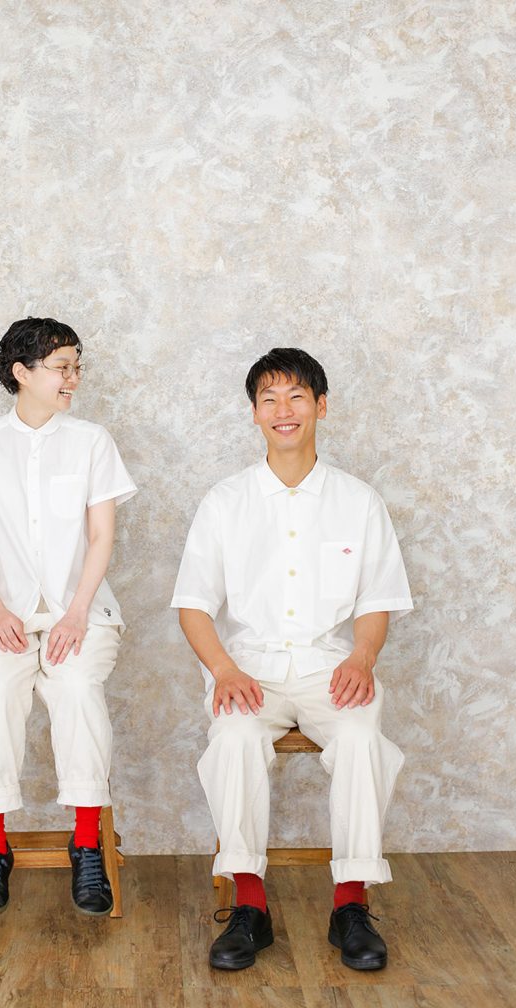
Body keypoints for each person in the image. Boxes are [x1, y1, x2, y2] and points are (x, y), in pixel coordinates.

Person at [172, 347, 412, 971]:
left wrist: (363, 656)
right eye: (269, 399)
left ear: (321, 407)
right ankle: (249, 906)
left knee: (361, 738)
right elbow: (193, 605)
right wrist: (224, 670)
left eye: (297, 396)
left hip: (331, 666)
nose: (284, 410)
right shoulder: (225, 501)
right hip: (247, 669)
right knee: (233, 740)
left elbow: (377, 599)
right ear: (254, 413)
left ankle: (351, 905)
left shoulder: (359, 501)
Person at [0, 316, 136, 918]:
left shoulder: (93, 441)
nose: (73, 378)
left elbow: (101, 537)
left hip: (82, 608)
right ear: (21, 372)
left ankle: (87, 844)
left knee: (76, 690)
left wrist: (77, 613)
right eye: (61, 367)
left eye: (76, 366)